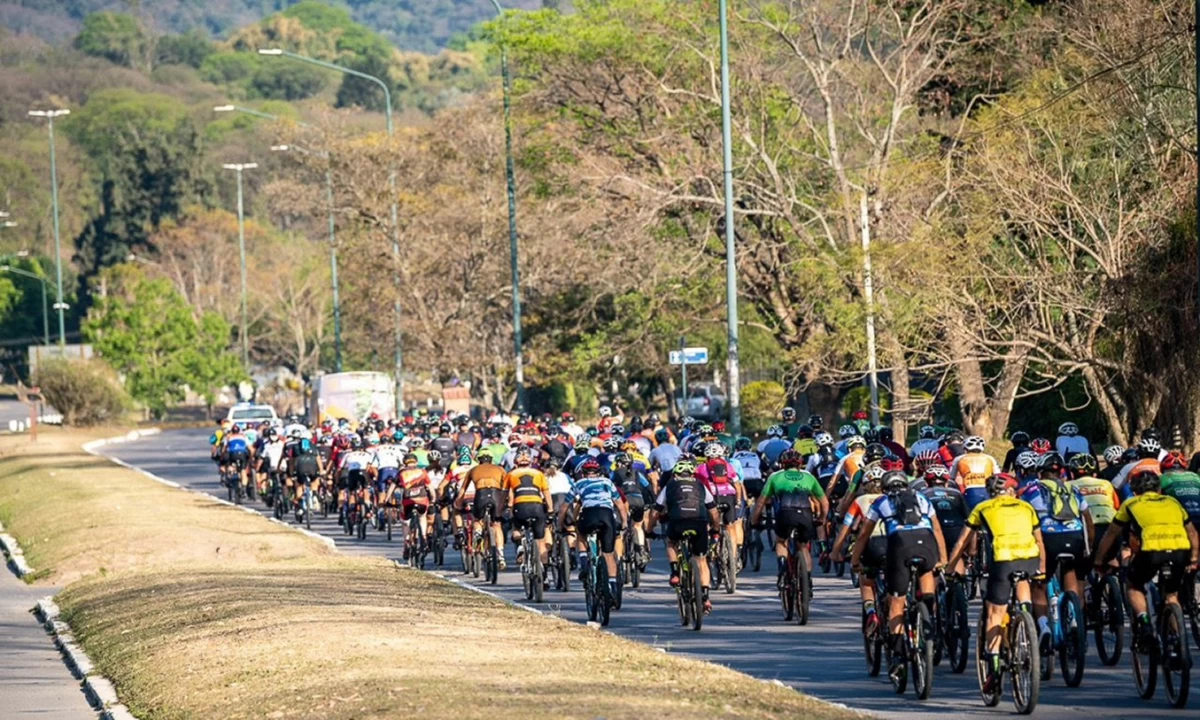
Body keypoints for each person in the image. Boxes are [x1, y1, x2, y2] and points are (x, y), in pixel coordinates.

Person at [947, 473, 1046, 695]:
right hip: (1030, 558)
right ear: (1011, 490)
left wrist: (950, 567)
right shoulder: (1026, 507)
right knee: (1022, 581)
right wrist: (1043, 569)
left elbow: (963, 540)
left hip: (1002, 560)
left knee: (994, 613)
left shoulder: (983, 507)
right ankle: (1025, 617)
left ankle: (993, 666)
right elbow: (1039, 540)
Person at [850, 470, 948, 683]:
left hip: (900, 545)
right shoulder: (921, 498)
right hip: (927, 542)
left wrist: (855, 560)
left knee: (896, 603)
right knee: (927, 575)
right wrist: (942, 559)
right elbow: (937, 529)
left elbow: (864, 533)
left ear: (885, 488)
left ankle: (898, 658)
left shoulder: (882, 501)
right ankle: (928, 620)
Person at [1094, 469, 1199, 647]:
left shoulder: (1131, 503)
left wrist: (1099, 559)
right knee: (1172, 595)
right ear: (1159, 490)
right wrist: (1194, 559)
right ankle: (1178, 643)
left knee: (1133, 584)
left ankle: (1144, 622)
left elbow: (1111, 534)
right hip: (1180, 550)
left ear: (1134, 491)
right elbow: (1192, 533)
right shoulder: (1173, 502)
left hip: (1151, 551)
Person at [1020, 452, 1090, 650]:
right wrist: (1088, 546)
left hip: (1048, 539)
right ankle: (1074, 618)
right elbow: (1088, 518)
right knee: (1070, 573)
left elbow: (1023, 517)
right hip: (1075, 537)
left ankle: (1044, 627)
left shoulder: (1032, 490)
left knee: (1039, 584)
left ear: (1040, 473)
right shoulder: (1073, 489)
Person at [649, 458, 721, 613]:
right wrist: (716, 529)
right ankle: (705, 596)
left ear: (675, 474)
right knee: (701, 559)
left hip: (677, 522)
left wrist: (649, 530)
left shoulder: (670, 486)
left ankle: (675, 573)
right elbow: (714, 512)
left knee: (671, 543)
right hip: (699, 523)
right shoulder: (700, 485)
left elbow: (655, 512)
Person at [560, 458, 627, 602]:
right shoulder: (607, 482)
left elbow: (564, 507)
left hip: (589, 515)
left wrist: (560, 526)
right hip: (607, 516)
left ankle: (584, 563)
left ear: (583, 473)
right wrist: (625, 522)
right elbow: (620, 505)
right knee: (609, 554)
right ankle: (613, 588)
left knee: (580, 533)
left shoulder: (579, 483)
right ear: (598, 473)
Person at [832, 466, 887, 633]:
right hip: (893, 543)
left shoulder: (859, 501)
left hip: (871, 544)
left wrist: (836, 550)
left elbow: (846, 528)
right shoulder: (890, 498)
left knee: (866, 580)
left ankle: (871, 612)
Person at [504, 448, 553, 572]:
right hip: (537, 506)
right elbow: (546, 494)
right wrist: (550, 510)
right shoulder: (539, 474)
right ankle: (545, 575)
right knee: (541, 542)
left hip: (520, 507)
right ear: (530, 463)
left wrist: (503, 510)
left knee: (515, 527)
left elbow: (506, 495)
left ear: (516, 463)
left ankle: (521, 545)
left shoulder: (510, 474)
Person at [457, 451, 508, 569]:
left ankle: (478, 536)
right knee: (496, 525)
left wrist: (458, 504)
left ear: (479, 460)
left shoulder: (473, 470)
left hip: (481, 494)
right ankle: (501, 556)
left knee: (477, 520)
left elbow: (463, 489)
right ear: (491, 459)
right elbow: (507, 487)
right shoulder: (500, 469)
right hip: (496, 494)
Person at [610, 452, 653, 568]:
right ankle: (641, 550)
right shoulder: (638, 473)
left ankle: (620, 558)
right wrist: (651, 502)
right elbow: (648, 487)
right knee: (638, 526)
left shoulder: (615, 473)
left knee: (622, 528)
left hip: (625, 501)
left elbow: (609, 484)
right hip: (639, 500)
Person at [948, 435, 999, 511]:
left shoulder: (959, 459)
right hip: (988, 491)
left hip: (970, 490)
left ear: (966, 448)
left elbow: (951, 478)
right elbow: (998, 476)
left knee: (971, 515)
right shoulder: (990, 458)